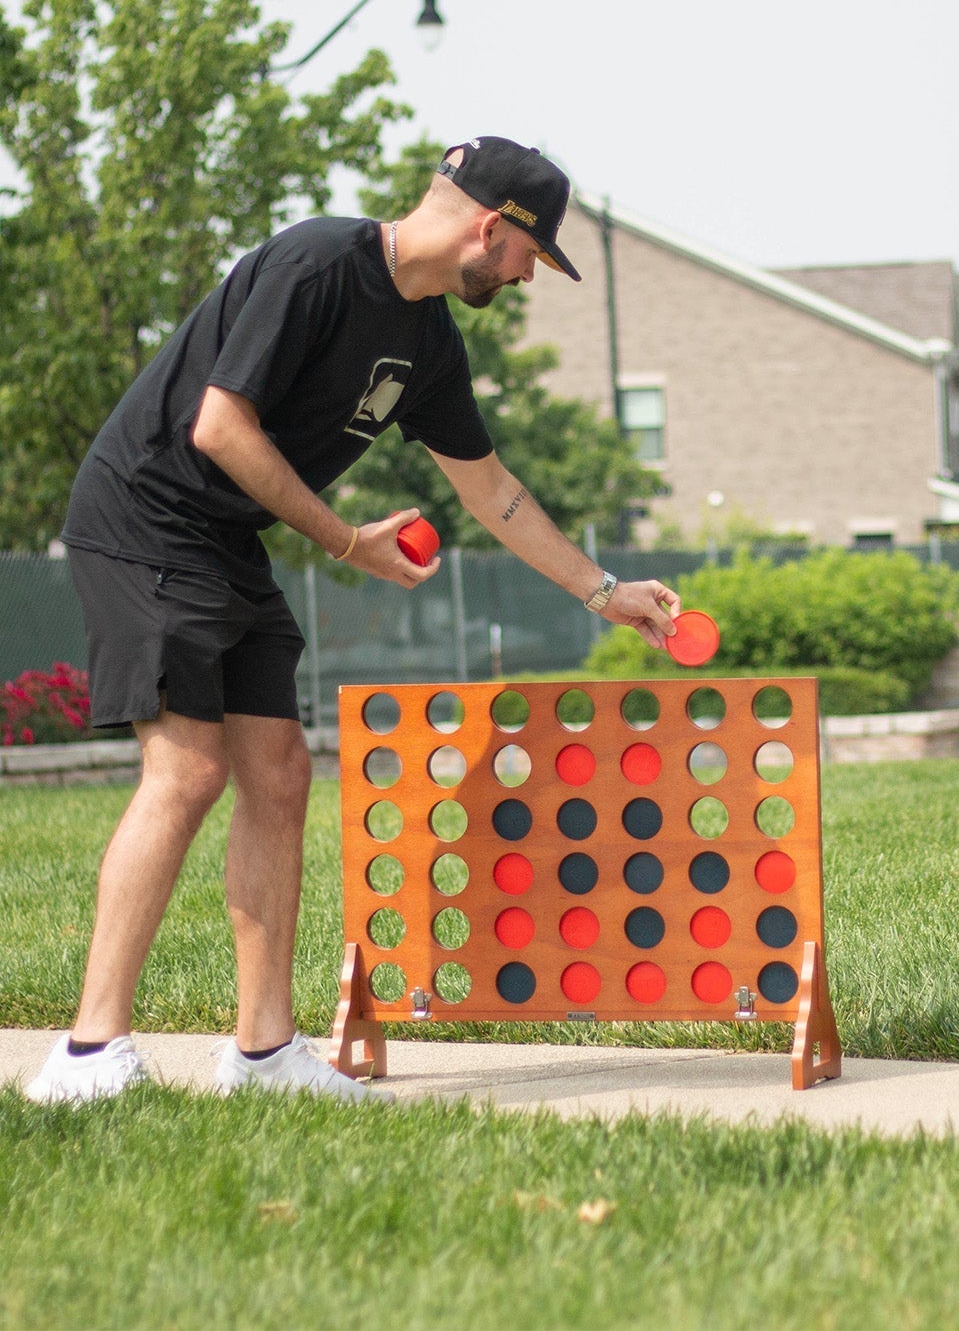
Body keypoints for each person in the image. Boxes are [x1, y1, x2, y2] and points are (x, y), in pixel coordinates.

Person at [26, 137, 682, 1103]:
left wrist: (604, 591)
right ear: (490, 226)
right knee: (189, 771)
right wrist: (345, 541)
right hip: (142, 517)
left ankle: (263, 1055)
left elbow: (492, 492)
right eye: (524, 259)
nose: (522, 279)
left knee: (281, 773)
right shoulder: (316, 264)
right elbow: (220, 427)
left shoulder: (429, 344)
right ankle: (85, 1056)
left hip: (223, 539)